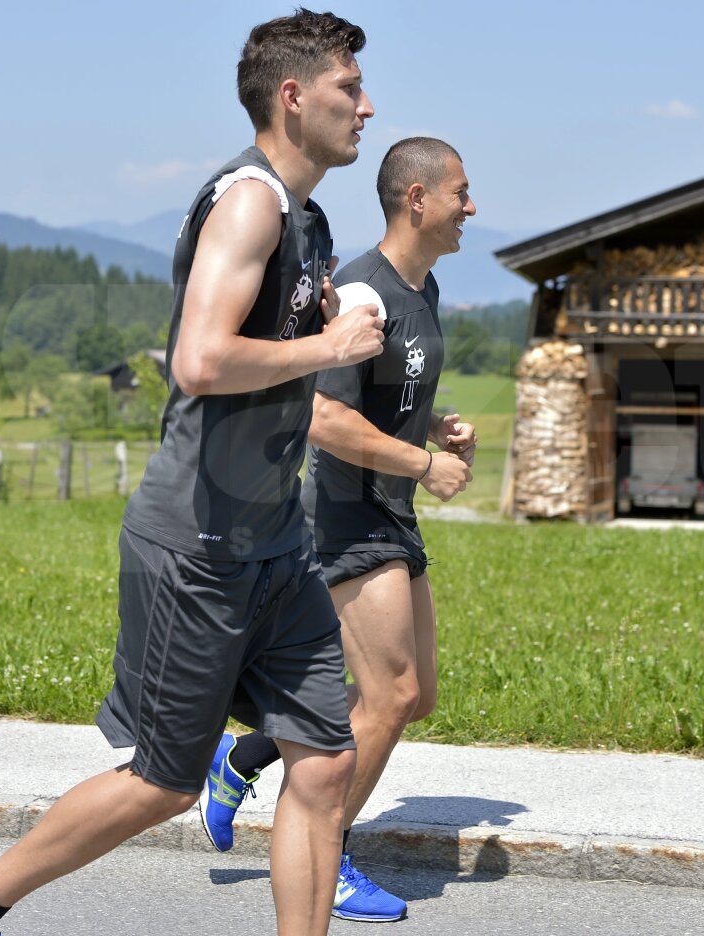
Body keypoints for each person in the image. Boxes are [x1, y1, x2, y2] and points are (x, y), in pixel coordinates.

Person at [0, 10, 381, 936]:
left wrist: (313, 326)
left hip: (277, 542)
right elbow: (198, 362)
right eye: (348, 88)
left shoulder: (307, 216)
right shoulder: (250, 201)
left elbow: (259, 347)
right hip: (196, 545)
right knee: (162, 781)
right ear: (293, 96)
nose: (367, 105)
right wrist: (329, 340)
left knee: (324, 762)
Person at [199, 137, 477, 923]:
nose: (472, 206)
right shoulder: (362, 292)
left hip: (391, 511)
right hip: (349, 516)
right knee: (388, 696)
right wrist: (422, 465)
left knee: (412, 696)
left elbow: (390, 397)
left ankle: (246, 753)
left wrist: (440, 435)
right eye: (462, 191)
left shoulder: (422, 290)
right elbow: (323, 416)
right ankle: (332, 852)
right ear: (417, 200)